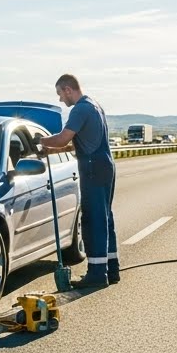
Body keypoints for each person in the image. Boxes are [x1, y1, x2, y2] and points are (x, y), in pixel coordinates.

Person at [35, 74, 118, 289]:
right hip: (105, 166)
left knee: (94, 219)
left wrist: (39, 141)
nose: (61, 100)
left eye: (60, 94)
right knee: (105, 217)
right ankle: (112, 268)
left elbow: (63, 137)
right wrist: (51, 150)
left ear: (68, 89)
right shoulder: (95, 106)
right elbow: (76, 144)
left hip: (92, 169)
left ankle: (97, 274)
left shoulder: (80, 109)